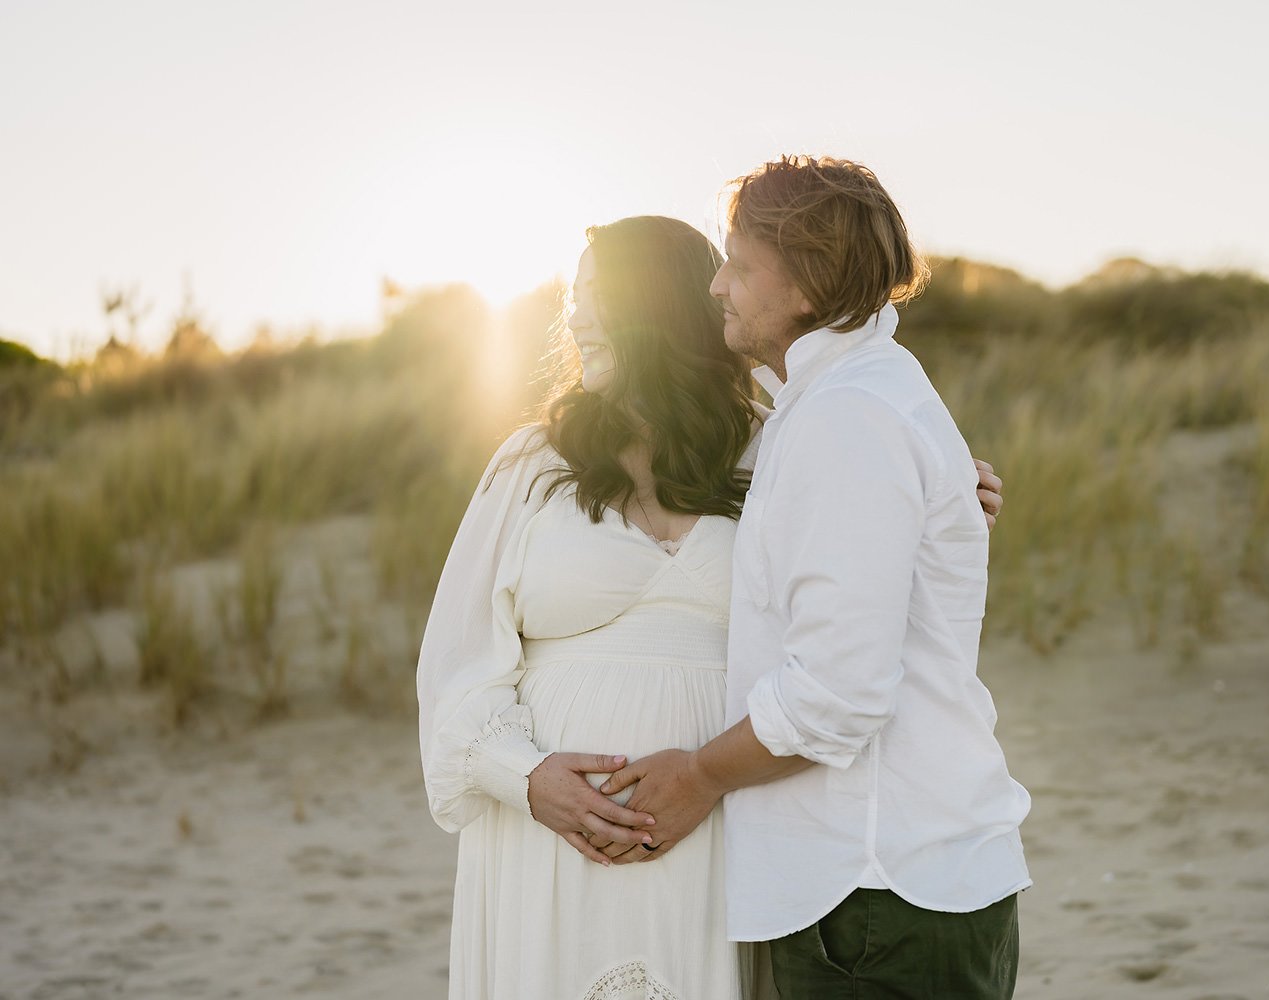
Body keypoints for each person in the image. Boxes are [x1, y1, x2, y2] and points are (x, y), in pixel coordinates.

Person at [416, 214, 1004, 999]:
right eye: (572, 297)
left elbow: (858, 592)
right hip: (551, 840)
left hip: (723, 819)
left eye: (598, 296)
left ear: (662, 308)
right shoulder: (530, 462)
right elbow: (457, 662)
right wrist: (526, 779)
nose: (576, 318)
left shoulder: (783, 445)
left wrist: (938, 499)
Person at [598, 158, 1032, 999]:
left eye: (739, 264)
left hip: (878, 892)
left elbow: (839, 694)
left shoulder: (849, 418)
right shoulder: (838, 404)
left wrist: (700, 775)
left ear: (802, 284)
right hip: (886, 889)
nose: (717, 286)